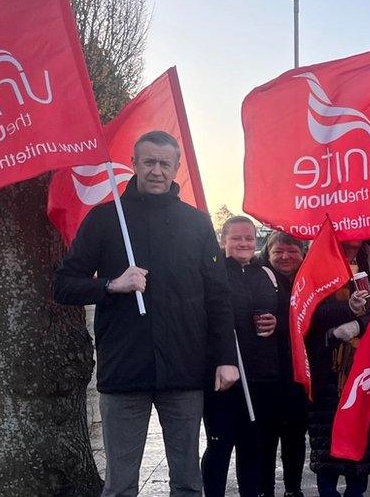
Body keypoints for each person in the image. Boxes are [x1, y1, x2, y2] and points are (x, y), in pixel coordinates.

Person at [53, 130, 239, 497]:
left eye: (165, 163)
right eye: (149, 161)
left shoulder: (197, 223)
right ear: (134, 163)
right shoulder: (106, 220)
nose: (157, 170)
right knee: (120, 485)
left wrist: (225, 359)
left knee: (187, 482)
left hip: (185, 370)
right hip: (124, 371)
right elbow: (63, 284)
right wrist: (110, 285)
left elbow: (217, 297)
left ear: (176, 168)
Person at [202, 216, 288, 496]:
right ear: (223, 241)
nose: (243, 243)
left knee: (253, 447)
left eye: (249, 238)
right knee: (220, 445)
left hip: (262, 377)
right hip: (224, 378)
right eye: (236, 237)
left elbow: (287, 315)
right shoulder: (211, 274)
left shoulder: (267, 274)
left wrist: (277, 323)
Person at [306, 239, 370, 497]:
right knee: (327, 447)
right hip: (326, 368)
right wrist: (345, 311)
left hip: (365, 369)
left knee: (361, 447)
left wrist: (359, 325)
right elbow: (307, 313)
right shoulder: (315, 270)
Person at [257, 230, 310, 497]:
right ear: (269, 253)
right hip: (266, 372)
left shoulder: (310, 278)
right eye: (279, 251)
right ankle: (266, 490)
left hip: (298, 372)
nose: (286, 257)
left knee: (295, 437)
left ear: (302, 254)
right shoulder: (258, 275)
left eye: (292, 251)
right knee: (265, 438)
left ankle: (293, 489)